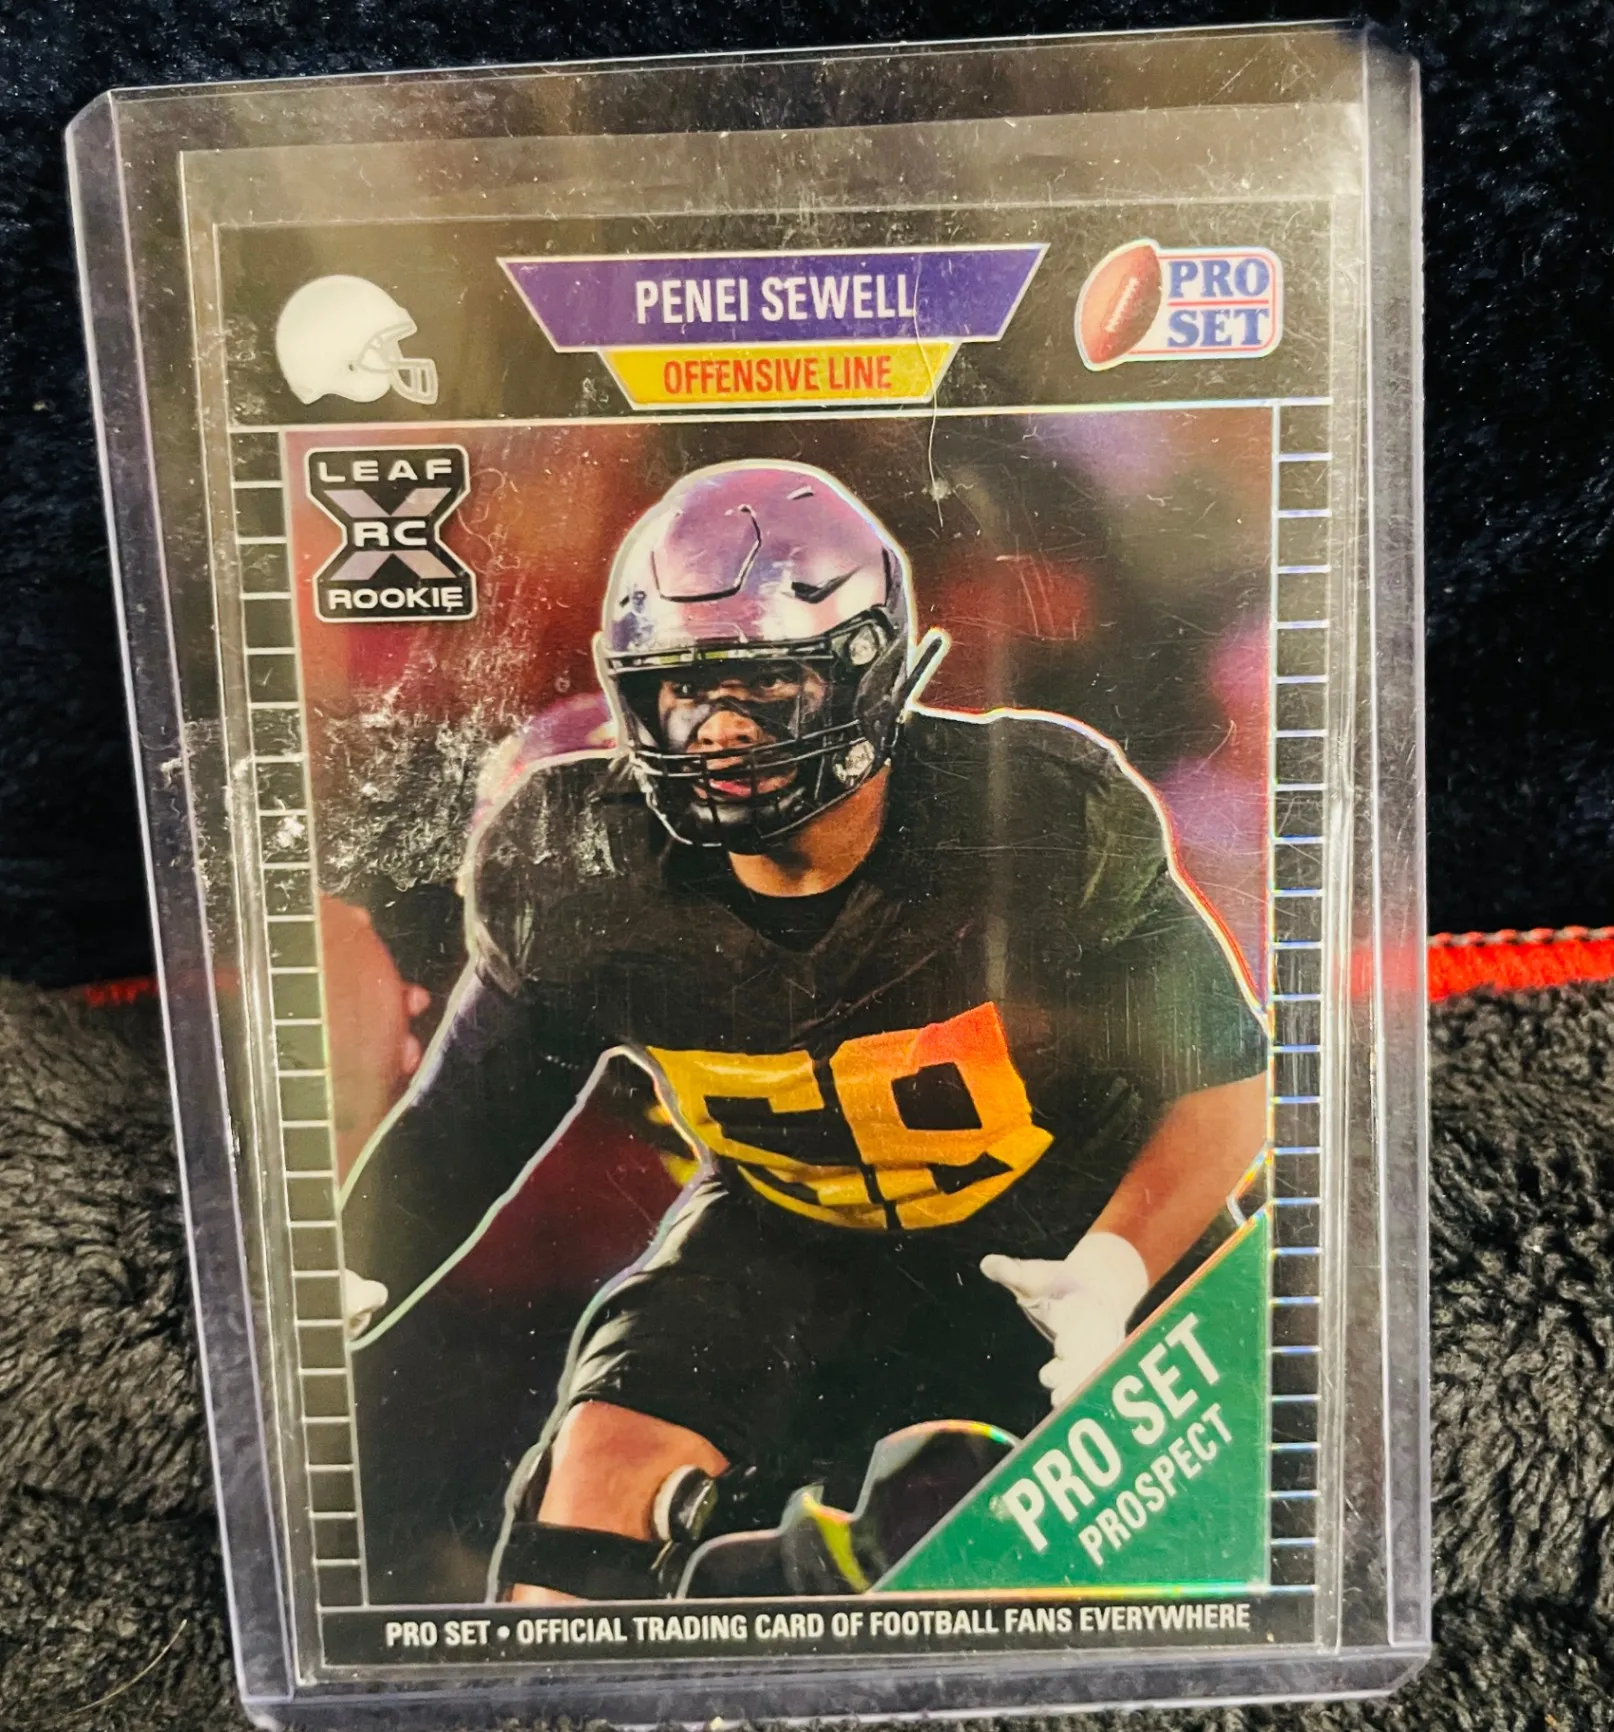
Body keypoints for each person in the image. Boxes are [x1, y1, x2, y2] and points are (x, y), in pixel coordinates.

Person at [338, 459, 1269, 1602]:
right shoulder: (581, 872)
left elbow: (1227, 1080)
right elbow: (460, 1131)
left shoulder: (1026, 821)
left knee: (1216, 1524)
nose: (719, 735)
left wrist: (1114, 1267)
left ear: (867, 673)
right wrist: (341, 1277)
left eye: (765, 688)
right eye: (682, 694)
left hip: (1061, 1215)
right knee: (598, 1470)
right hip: (789, 1229)